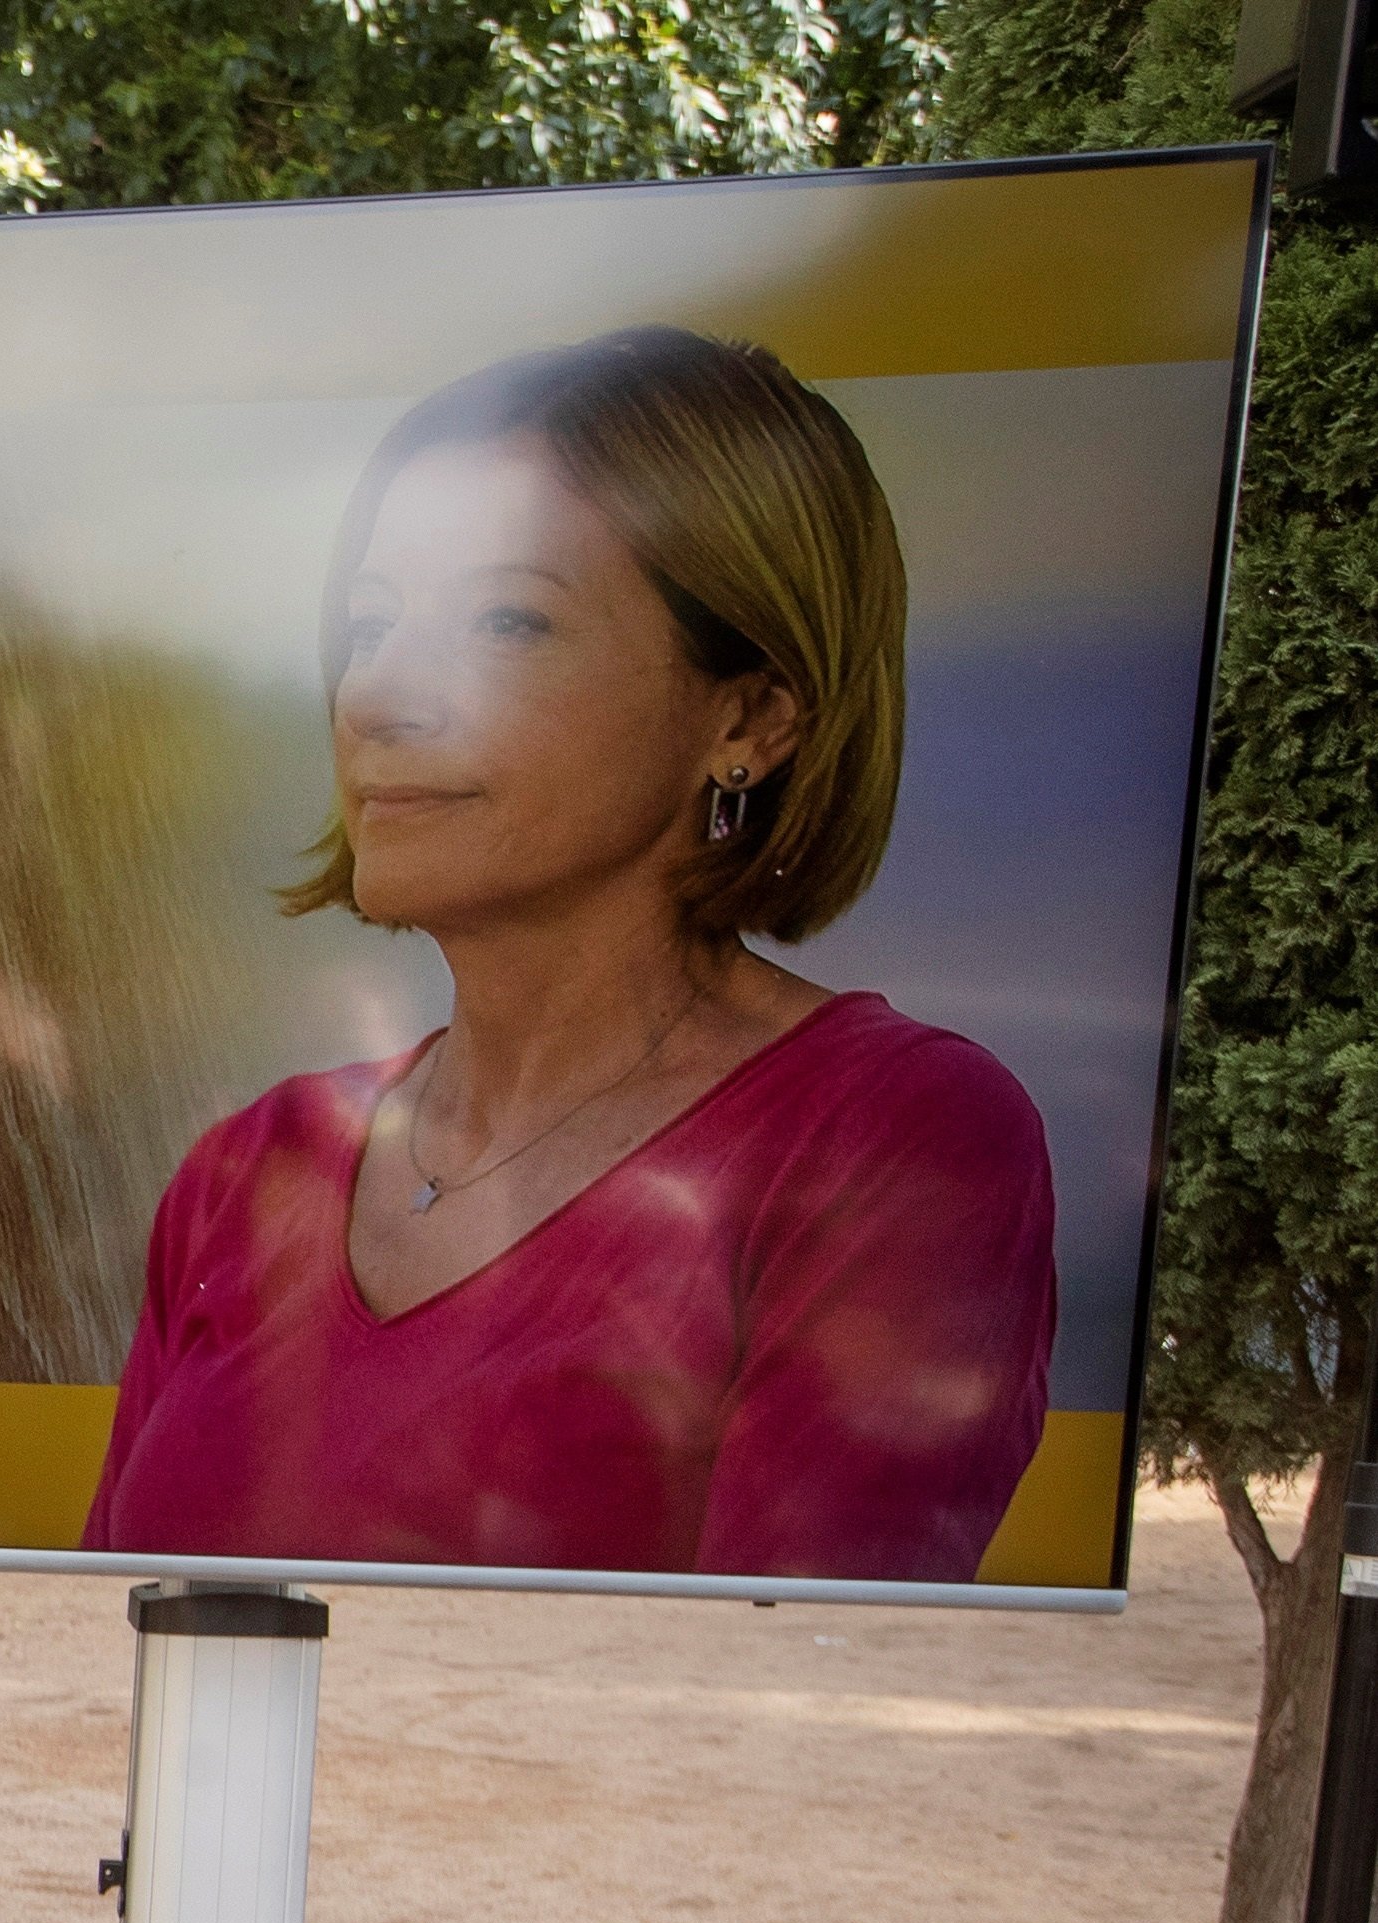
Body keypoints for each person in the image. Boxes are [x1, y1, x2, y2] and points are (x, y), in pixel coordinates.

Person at [84, 323, 1056, 1585]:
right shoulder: (243, 1173)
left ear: (753, 717)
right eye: (369, 625)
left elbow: (774, 1724)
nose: (377, 696)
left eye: (506, 621)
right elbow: (94, 1667)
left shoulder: (896, 1139)